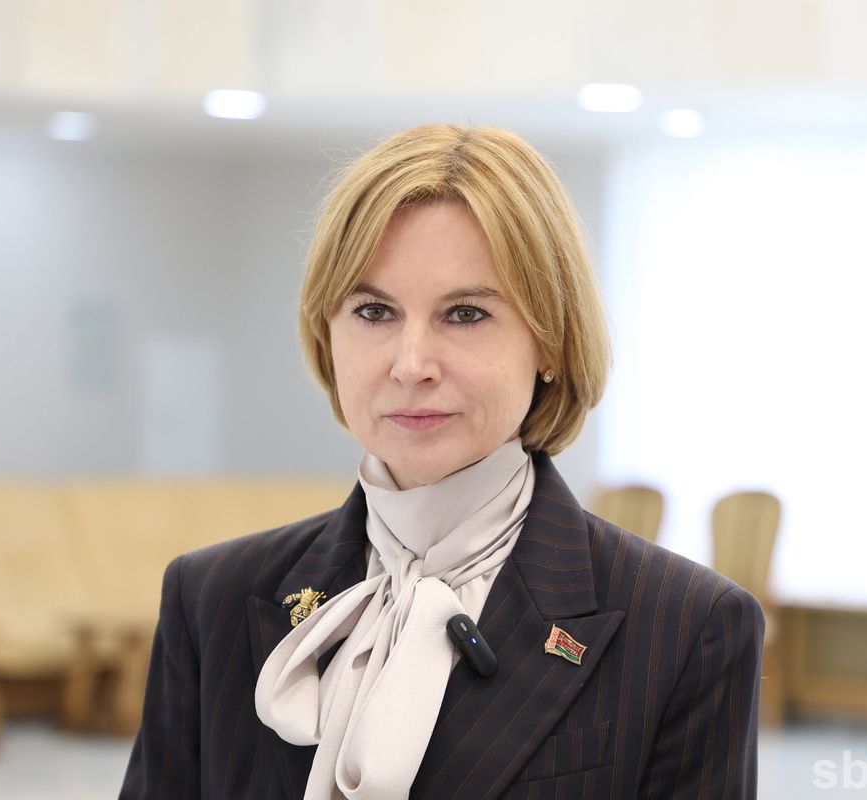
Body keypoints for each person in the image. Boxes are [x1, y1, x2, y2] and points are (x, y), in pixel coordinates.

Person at [118, 124, 763, 799]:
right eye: (374, 311)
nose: (411, 364)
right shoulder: (210, 599)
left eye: (465, 314)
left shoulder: (687, 627)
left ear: (550, 341)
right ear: (327, 335)